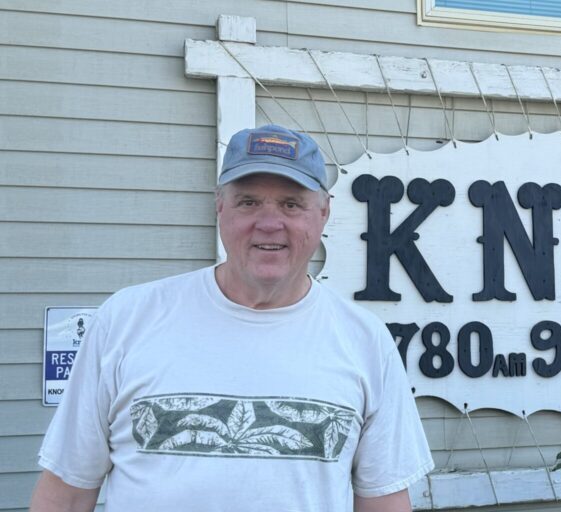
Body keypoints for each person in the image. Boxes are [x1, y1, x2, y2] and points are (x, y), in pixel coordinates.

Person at [30, 125, 434, 512]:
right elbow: (65, 491)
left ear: (324, 213)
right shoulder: (126, 319)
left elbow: (382, 501)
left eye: (291, 204)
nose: (269, 222)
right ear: (220, 207)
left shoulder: (365, 341)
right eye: (249, 202)